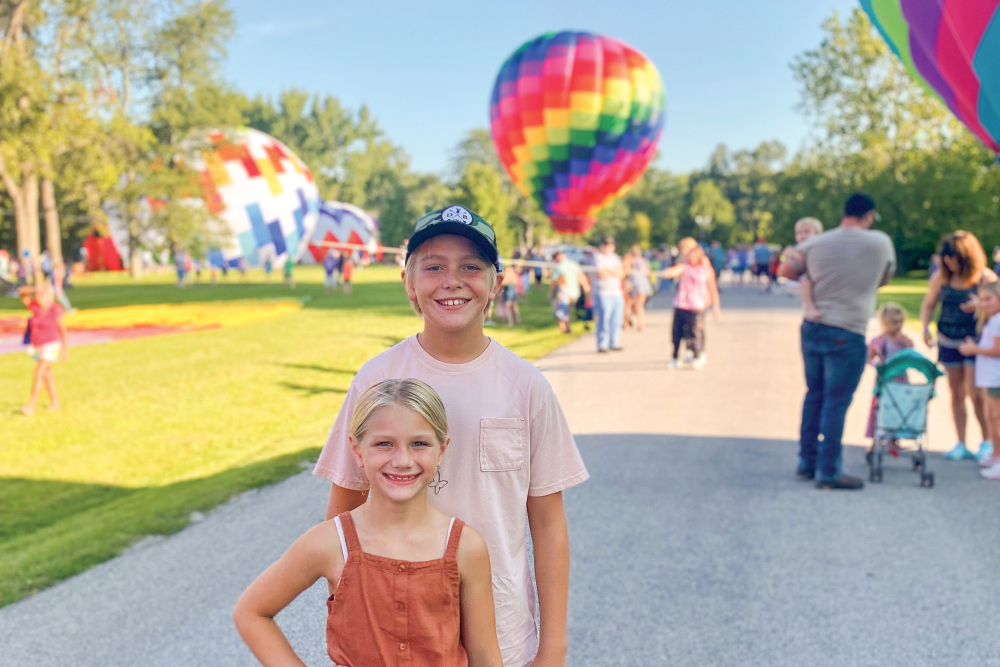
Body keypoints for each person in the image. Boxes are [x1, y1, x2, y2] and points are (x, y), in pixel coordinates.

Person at [313, 205, 588, 667]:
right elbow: (343, 510)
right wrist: (355, 616)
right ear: (409, 283)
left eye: (471, 267)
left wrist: (553, 647)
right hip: (396, 639)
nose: (452, 280)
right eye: (433, 266)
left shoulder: (525, 386)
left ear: (496, 283)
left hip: (501, 638)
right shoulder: (377, 377)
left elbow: (547, 522)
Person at [236, 379, 503, 667]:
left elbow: (485, 656)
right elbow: (252, 612)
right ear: (356, 449)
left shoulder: (466, 547)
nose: (402, 460)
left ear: (441, 450)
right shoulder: (329, 543)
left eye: (419, 444)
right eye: (384, 444)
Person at [779, 193, 896, 490]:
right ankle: (828, 471)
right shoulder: (880, 242)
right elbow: (884, 279)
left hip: (813, 327)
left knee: (814, 395)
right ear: (868, 215)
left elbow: (786, 270)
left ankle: (807, 462)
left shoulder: (815, 243)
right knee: (836, 402)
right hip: (848, 329)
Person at [919, 230, 998, 462]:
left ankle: (987, 441)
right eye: (946, 258)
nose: (949, 262)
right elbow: (928, 304)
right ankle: (961, 442)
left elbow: (997, 307)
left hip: (974, 342)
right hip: (947, 339)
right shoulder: (942, 278)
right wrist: (925, 328)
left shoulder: (985, 278)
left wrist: (980, 307)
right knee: (956, 393)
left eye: (953, 257)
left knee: (976, 393)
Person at [958, 282, 1000, 480]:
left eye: (988, 299)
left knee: (996, 418)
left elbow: (998, 350)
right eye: (982, 299)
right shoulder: (992, 319)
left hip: (996, 378)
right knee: (991, 417)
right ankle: (995, 454)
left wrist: (974, 350)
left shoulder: (998, 321)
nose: (984, 303)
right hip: (990, 377)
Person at [660, 238, 721, 369]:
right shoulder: (684, 266)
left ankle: (698, 354)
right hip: (681, 303)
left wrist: (716, 307)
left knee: (696, 331)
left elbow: (712, 288)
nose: (687, 254)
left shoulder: (705, 267)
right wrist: (667, 273)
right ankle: (677, 356)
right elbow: (675, 271)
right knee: (677, 332)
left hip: (697, 304)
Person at [864, 302, 915, 446]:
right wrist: (878, 366)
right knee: (881, 408)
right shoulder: (879, 341)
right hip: (885, 379)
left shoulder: (903, 340)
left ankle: (894, 438)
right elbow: (869, 358)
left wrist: (905, 341)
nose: (898, 325)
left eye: (900, 322)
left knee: (899, 407)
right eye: (894, 322)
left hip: (901, 380)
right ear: (885, 323)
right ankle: (877, 437)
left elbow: (912, 352)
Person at [19, 281, 68, 415]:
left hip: (51, 345)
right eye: (38, 293)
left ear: (49, 294)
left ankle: (31, 405)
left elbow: (63, 330)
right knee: (47, 374)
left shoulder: (55, 309)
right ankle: (55, 402)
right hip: (38, 345)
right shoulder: (34, 306)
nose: (39, 295)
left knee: (38, 373)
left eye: (42, 293)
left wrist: (64, 350)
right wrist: (35, 288)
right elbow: (21, 292)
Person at [593, 236, 625, 353]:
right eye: (606, 245)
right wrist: (614, 271)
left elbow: (621, 273)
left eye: (610, 245)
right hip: (604, 292)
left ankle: (614, 342)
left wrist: (611, 271)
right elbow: (601, 274)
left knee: (616, 319)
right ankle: (602, 344)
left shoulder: (615, 258)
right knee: (604, 319)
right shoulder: (598, 257)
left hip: (616, 292)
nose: (608, 248)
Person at [790, 217, 824, 320]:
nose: (802, 236)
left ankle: (810, 308)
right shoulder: (800, 248)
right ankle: (809, 308)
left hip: (816, 276)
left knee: (805, 280)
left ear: (818, 234)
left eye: (806, 232)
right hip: (810, 277)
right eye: (799, 233)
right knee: (805, 281)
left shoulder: (818, 246)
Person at [549, 249, 590, 335]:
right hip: (574, 292)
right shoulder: (573, 264)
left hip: (565, 292)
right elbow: (581, 277)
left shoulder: (558, 267)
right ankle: (567, 328)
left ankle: (564, 328)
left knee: (562, 311)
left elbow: (554, 282)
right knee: (567, 310)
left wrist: (551, 293)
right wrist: (586, 287)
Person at [626, 245, 652, 331]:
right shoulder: (644, 261)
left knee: (632, 304)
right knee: (639, 305)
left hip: (634, 285)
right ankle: (640, 323)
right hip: (643, 285)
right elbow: (648, 273)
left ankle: (628, 322)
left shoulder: (631, 261)